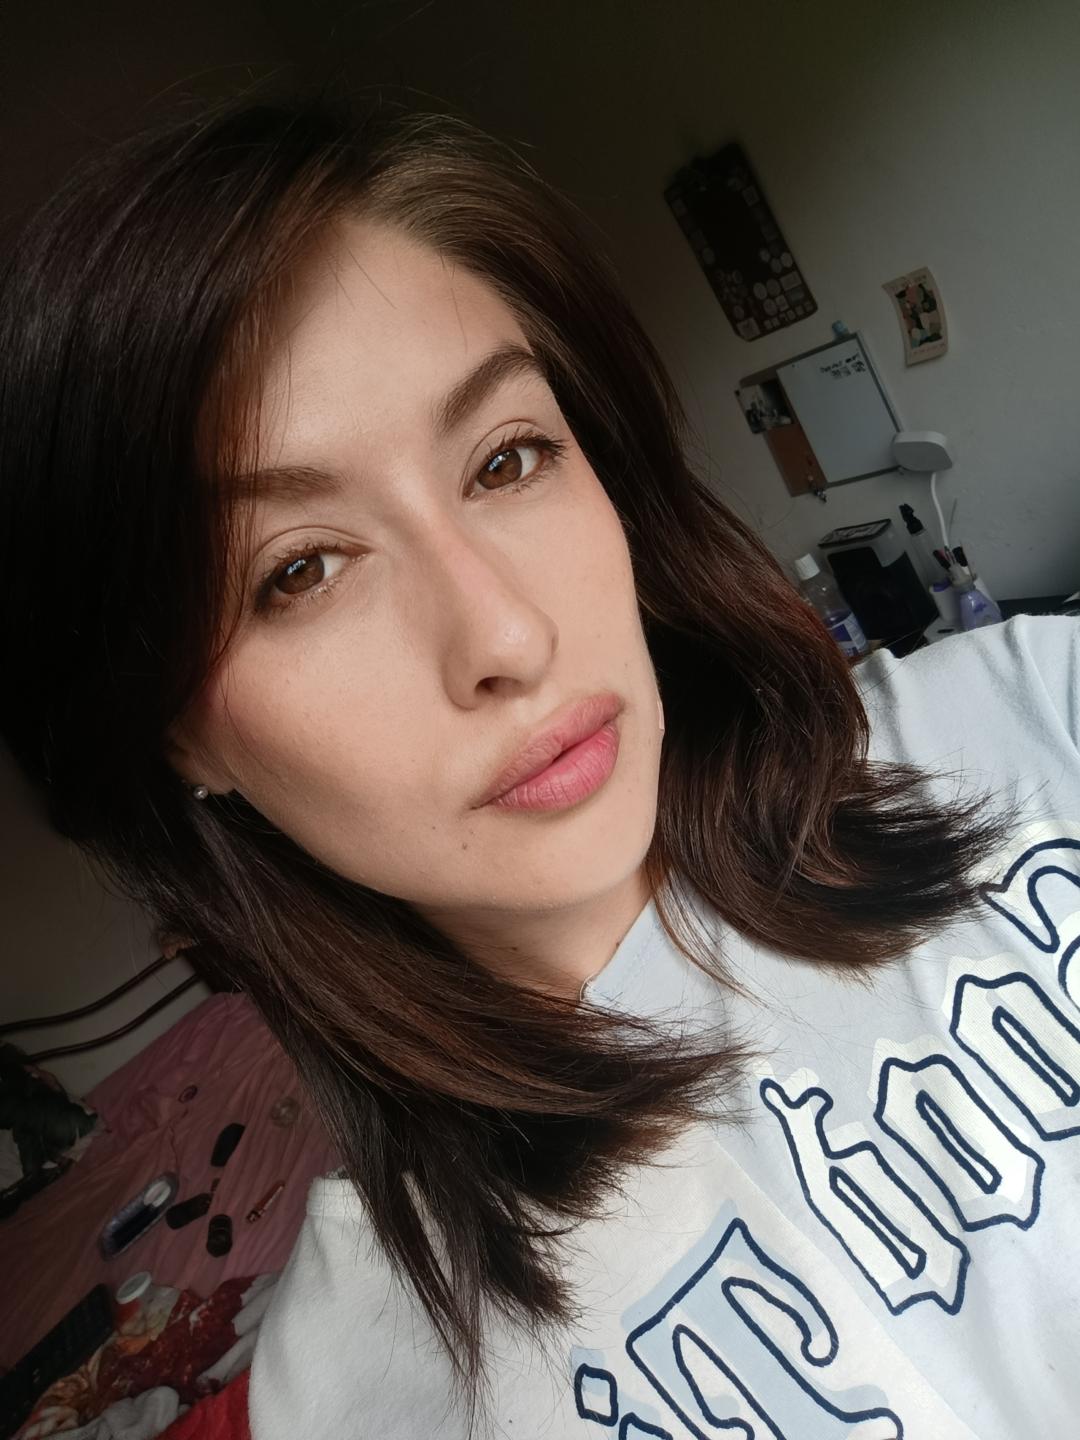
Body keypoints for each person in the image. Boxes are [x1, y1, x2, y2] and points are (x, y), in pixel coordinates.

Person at [1, 90, 1078, 1440]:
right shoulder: (371, 1386)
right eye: (301, 571)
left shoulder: (1026, 719)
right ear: (176, 734)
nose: (507, 635)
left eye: (508, 458)